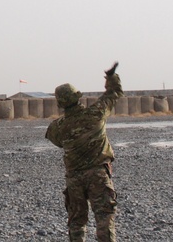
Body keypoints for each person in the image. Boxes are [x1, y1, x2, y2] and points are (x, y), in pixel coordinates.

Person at [45, 63, 124, 242]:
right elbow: (113, 94)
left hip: (74, 178)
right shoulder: (95, 114)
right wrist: (111, 77)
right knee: (104, 218)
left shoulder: (58, 127)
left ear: (60, 103)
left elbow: (56, 140)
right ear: (77, 97)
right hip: (98, 174)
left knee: (76, 221)